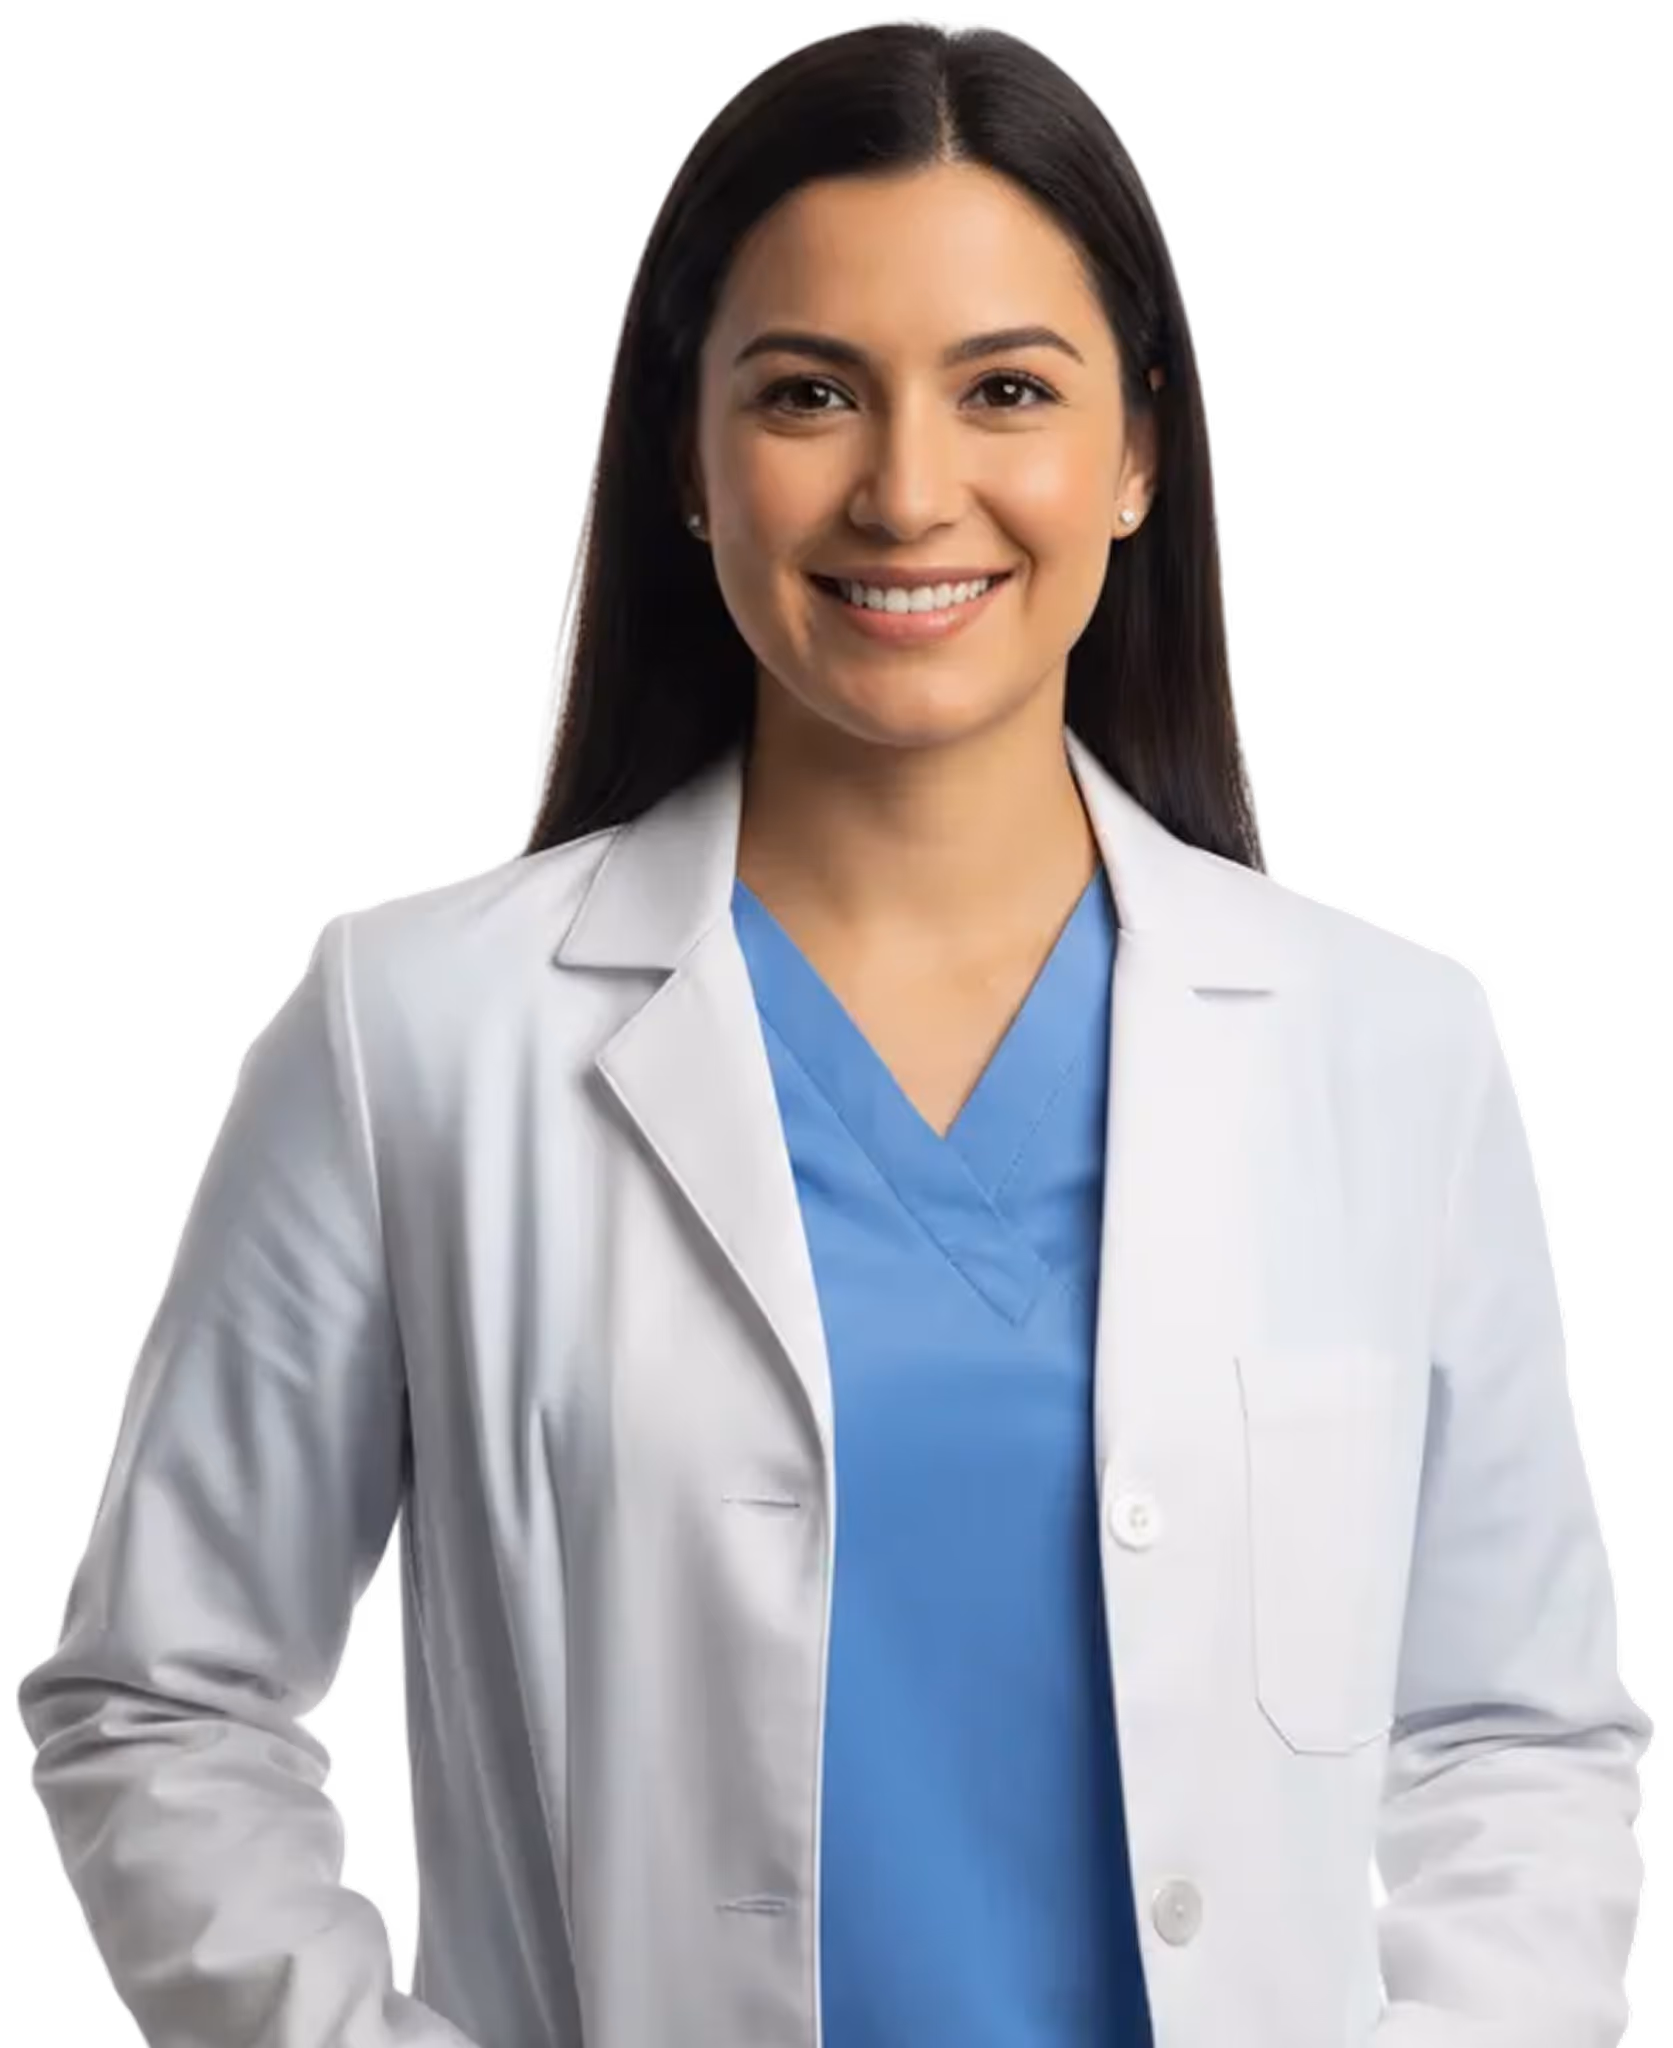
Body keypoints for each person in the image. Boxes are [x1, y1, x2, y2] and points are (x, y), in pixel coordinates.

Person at [16, 18, 1651, 2046]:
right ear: (684, 458)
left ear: (1133, 451)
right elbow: (161, 1697)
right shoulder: (415, 1033)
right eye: (805, 393)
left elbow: (1511, 1735)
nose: (905, 490)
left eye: (1004, 392)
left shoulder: (1388, 1047)